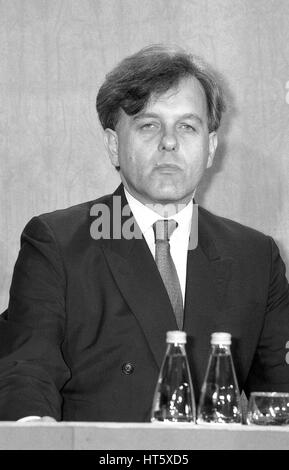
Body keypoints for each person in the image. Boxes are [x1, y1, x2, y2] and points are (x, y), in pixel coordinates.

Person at [1, 44, 289, 422]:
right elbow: (26, 369)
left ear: (210, 148)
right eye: (148, 125)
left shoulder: (255, 255)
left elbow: (280, 391)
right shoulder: (57, 242)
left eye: (187, 126)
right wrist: (32, 429)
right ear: (113, 145)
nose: (169, 142)